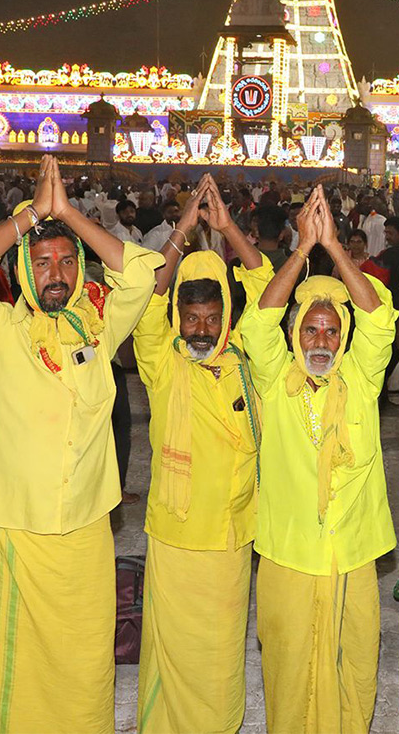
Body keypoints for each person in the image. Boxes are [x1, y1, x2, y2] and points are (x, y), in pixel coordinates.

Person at [0, 155, 163, 733]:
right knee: (12, 663)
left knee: (82, 659)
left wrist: (68, 213)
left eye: (68, 261)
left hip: (87, 529)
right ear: (22, 269)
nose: (57, 273)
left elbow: (142, 272)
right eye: (42, 262)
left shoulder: (100, 325)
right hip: (17, 529)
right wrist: (29, 218)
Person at [241, 185, 397, 732]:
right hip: (289, 551)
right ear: (296, 332)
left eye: (333, 328)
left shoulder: (362, 377)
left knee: (355, 665)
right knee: (287, 666)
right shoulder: (271, 377)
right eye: (311, 327)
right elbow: (257, 324)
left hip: (352, 551)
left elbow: (381, 323)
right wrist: (304, 251)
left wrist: (335, 247)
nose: (322, 338)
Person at [132, 175, 270, 734]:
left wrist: (228, 229)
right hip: (174, 535)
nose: (202, 329)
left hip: (232, 536)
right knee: (173, 650)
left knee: (218, 653)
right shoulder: (162, 362)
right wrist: (184, 229)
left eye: (212, 318)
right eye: (192, 319)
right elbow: (149, 298)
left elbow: (263, 286)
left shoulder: (247, 361)